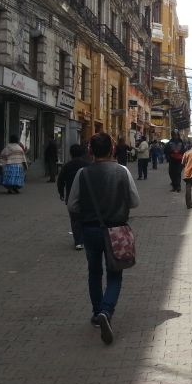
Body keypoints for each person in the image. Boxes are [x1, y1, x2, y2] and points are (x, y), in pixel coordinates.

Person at [67, 132, 140, 345]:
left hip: (90, 230)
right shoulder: (122, 171)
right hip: (116, 230)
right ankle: (107, 312)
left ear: (90, 151)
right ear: (113, 150)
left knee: (94, 272)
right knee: (115, 274)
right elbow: (135, 201)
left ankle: (97, 312)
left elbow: (72, 205)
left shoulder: (82, 173)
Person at [57, 143, 91, 250]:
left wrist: (62, 193)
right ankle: (85, 238)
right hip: (86, 197)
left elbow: (60, 181)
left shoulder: (67, 166)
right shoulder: (87, 165)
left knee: (75, 219)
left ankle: (78, 241)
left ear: (71, 153)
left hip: (71, 196)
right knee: (86, 218)